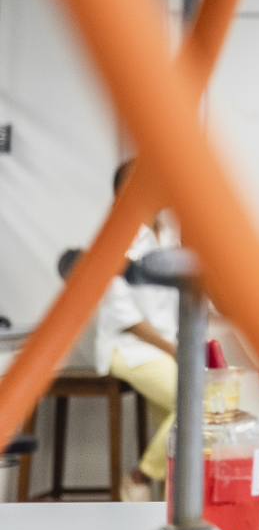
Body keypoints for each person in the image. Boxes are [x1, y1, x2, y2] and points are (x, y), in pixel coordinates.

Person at [95, 159, 179, 502]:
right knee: (197, 401)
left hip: (166, 347)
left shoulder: (168, 234)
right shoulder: (116, 238)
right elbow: (126, 316)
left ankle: (169, 504)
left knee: (184, 427)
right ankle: (139, 476)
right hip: (128, 347)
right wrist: (176, 350)